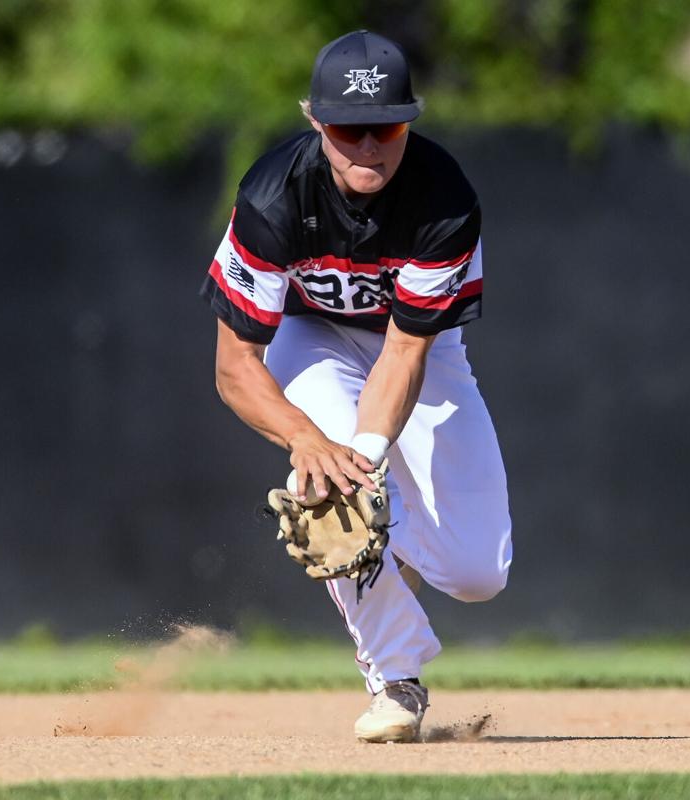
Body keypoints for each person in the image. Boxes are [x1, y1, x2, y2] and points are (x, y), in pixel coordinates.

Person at [201, 29, 512, 743]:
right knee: (333, 492)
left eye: (387, 127)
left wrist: (367, 458)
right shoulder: (272, 196)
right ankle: (396, 679)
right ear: (315, 119)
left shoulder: (443, 200)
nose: (368, 145)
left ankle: (386, 529)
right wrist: (314, 445)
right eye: (348, 128)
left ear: (410, 121)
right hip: (308, 339)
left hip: (419, 353)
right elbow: (235, 365)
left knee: (477, 572)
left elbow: (405, 352)